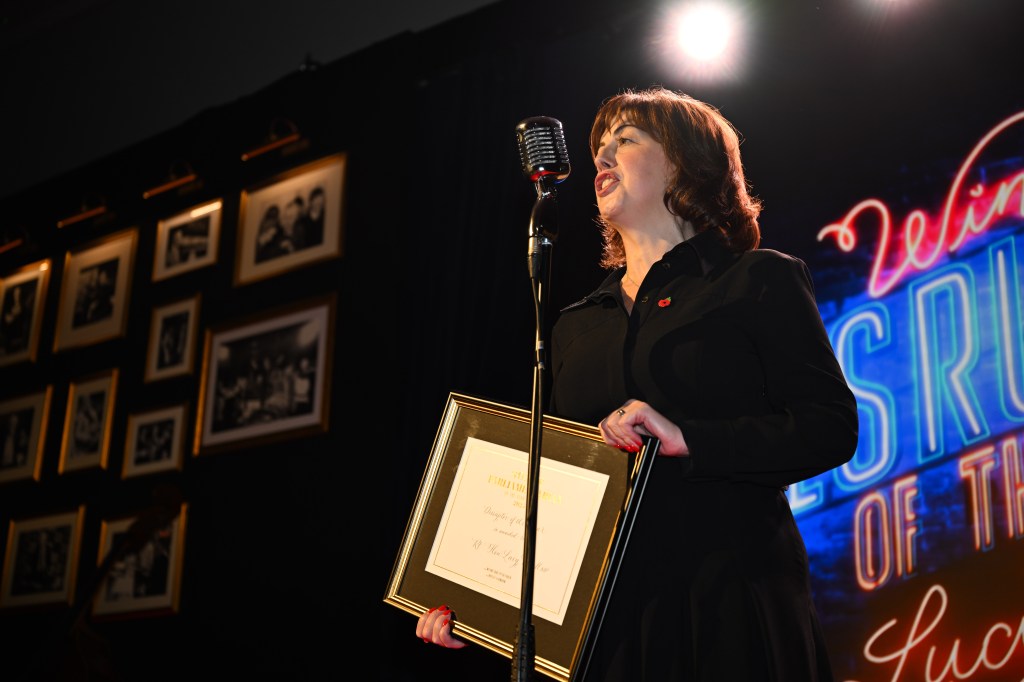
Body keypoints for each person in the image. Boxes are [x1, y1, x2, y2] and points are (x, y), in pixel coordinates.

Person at [415, 87, 858, 681]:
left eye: (625, 140)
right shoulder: (575, 325)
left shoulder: (757, 280)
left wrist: (689, 438)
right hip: (609, 629)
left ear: (685, 163)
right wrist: (480, 601)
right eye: (599, 147)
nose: (601, 157)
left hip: (727, 602)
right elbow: (553, 488)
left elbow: (829, 427)